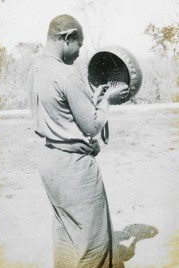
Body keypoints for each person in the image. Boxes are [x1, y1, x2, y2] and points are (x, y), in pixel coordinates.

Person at [29, 14, 128, 268]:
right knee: (93, 245)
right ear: (68, 37)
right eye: (78, 46)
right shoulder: (67, 74)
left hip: (50, 161)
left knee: (65, 236)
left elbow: (60, 113)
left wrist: (91, 100)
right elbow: (92, 126)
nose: (78, 53)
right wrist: (106, 102)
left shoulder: (37, 67)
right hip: (74, 168)